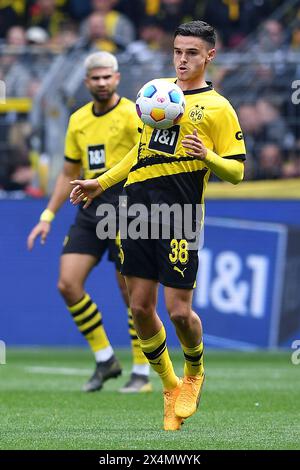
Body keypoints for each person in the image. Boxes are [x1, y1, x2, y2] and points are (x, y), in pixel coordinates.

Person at [70, 21, 246, 430]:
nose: (182, 60)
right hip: (134, 208)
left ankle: (194, 374)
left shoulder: (219, 107)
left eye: (192, 54)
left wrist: (208, 156)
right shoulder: (157, 94)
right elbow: (138, 151)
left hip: (180, 214)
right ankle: (170, 387)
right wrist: (100, 182)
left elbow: (237, 171)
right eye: (178, 52)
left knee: (179, 312)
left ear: (209, 56)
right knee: (140, 307)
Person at [27, 51, 152, 394]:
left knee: (130, 294)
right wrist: (47, 216)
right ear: (86, 82)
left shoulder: (133, 114)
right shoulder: (78, 119)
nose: (100, 83)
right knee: (67, 283)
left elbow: (146, 158)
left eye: (106, 77)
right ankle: (105, 359)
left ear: (116, 78)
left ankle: (142, 371)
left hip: (128, 206)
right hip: (90, 206)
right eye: (94, 78)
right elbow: (68, 173)